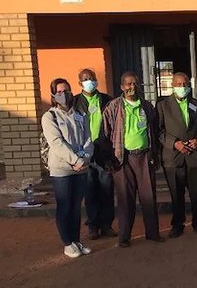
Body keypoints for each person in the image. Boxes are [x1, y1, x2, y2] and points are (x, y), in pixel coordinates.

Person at [99, 72, 164, 247]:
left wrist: (154, 155)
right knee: (125, 198)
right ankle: (124, 237)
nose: (132, 87)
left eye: (135, 84)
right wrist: (108, 160)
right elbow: (103, 135)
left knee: (148, 196)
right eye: (128, 84)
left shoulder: (147, 107)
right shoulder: (113, 107)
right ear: (122, 87)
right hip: (122, 158)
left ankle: (152, 233)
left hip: (144, 156)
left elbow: (155, 132)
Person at [157, 72, 197, 238]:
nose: (183, 87)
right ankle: (178, 224)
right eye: (179, 84)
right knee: (176, 193)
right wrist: (175, 143)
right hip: (173, 157)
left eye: (185, 84)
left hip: (194, 155)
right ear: (173, 85)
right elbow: (158, 131)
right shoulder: (162, 105)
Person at [42, 78, 94, 258]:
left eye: (66, 91)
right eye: (59, 92)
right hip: (62, 170)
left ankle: (76, 240)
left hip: (81, 167)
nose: (64, 95)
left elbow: (88, 138)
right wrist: (75, 160)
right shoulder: (50, 117)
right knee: (64, 206)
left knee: (75, 206)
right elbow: (57, 143)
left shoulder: (80, 113)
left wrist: (85, 157)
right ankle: (67, 243)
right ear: (53, 95)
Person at [72, 68, 116, 240]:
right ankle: (93, 226)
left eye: (92, 78)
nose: (89, 81)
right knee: (90, 191)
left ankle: (107, 225)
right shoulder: (75, 102)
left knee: (107, 190)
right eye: (85, 79)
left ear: (97, 80)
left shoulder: (107, 100)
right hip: (85, 153)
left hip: (104, 152)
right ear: (79, 83)